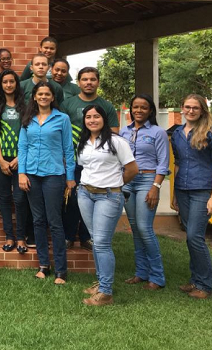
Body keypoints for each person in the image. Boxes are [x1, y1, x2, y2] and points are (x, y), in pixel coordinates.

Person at [77, 105, 138, 306]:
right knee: (96, 240)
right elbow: (84, 166)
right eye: (88, 117)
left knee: (102, 243)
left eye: (96, 116)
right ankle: (101, 282)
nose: (92, 120)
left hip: (108, 196)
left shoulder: (116, 141)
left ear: (104, 119)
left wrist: (116, 184)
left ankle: (106, 292)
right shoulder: (83, 141)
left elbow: (132, 169)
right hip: (85, 193)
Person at [18, 81, 75, 285]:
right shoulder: (28, 119)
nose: (43, 97)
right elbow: (22, 148)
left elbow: (68, 149)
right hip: (32, 174)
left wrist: (70, 177)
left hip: (54, 175)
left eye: (47, 94)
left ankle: (61, 270)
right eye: (40, 94)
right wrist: (21, 173)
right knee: (38, 220)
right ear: (34, 96)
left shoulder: (62, 119)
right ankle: (43, 265)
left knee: (54, 221)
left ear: (52, 97)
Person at [59, 66, 118, 251]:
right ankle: (69, 236)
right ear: (79, 82)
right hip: (72, 161)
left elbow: (114, 133)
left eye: (92, 79)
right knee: (72, 199)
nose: (89, 82)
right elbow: (59, 131)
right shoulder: (68, 104)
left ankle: (86, 237)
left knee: (92, 198)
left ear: (98, 82)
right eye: (84, 79)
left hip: (97, 163)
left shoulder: (106, 106)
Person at [171, 94, 212, 300]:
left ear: (202, 110)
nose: (191, 111)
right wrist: (174, 194)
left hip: (202, 190)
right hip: (182, 190)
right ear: (182, 108)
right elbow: (177, 163)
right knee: (191, 237)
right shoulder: (177, 133)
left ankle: (205, 285)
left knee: (195, 236)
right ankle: (195, 279)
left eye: (195, 108)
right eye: (187, 107)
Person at [119, 94, 169, 291]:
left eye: (143, 107)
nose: (139, 110)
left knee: (144, 227)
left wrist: (156, 187)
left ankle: (157, 276)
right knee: (135, 228)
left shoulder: (158, 132)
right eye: (135, 107)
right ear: (131, 109)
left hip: (147, 180)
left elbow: (163, 163)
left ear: (150, 111)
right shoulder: (124, 132)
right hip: (127, 182)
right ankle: (141, 272)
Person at [0, 69, 33, 253]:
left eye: (12, 81)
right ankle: (9, 236)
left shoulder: (26, 106)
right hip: (0, 159)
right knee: (4, 198)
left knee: (20, 198)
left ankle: (21, 237)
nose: (8, 85)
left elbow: (29, 133)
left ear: (17, 84)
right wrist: (0, 160)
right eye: (5, 82)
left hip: (21, 158)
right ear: (1, 85)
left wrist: (19, 158)